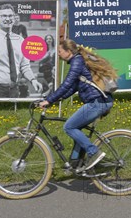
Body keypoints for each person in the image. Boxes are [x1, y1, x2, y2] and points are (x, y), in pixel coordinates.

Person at [39, 40, 118, 172]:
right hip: (98, 102)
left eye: (60, 51)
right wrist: (54, 100)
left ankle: (94, 153)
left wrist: (48, 100)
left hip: (97, 103)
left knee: (69, 127)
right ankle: (76, 163)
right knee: (76, 129)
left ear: (68, 52)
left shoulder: (77, 62)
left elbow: (67, 83)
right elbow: (73, 87)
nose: (58, 54)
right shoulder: (78, 61)